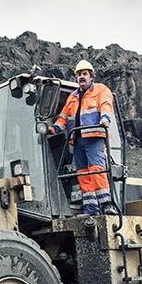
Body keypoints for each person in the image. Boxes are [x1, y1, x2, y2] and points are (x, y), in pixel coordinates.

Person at [49, 60, 119, 215]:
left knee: (96, 170)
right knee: (82, 173)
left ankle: (106, 204)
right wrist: (53, 129)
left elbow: (106, 104)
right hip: (77, 140)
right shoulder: (72, 97)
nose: (82, 77)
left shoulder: (100, 90)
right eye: (79, 74)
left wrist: (105, 118)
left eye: (84, 74)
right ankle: (90, 208)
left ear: (91, 76)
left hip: (94, 137)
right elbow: (64, 117)